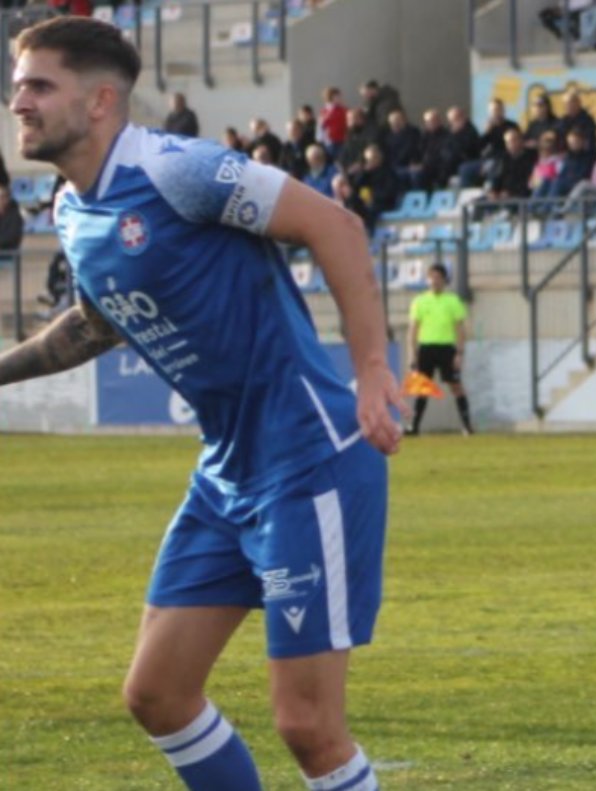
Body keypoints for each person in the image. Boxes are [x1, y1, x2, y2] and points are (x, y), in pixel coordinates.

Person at [0, 16, 402, 791]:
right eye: (18, 87)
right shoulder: (74, 211)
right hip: (227, 475)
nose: (20, 102)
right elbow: (94, 325)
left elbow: (335, 224)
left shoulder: (177, 171)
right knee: (158, 695)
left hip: (308, 459)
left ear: (100, 102)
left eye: (40, 86)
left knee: (308, 726)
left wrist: (373, 368)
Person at [406, 263, 472, 436]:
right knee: (422, 389)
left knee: (456, 386)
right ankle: (414, 427)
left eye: (438, 277)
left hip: (446, 348)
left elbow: (460, 329)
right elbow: (413, 329)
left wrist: (459, 353)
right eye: (431, 277)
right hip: (426, 348)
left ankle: (467, 426)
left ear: (444, 280)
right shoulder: (419, 301)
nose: (434, 281)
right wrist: (412, 354)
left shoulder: (453, 301)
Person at [318, 86, 348, 157]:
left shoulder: (343, 110)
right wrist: (320, 140)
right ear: (330, 97)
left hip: (342, 139)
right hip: (330, 141)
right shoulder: (324, 111)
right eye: (337, 96)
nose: (340, 98)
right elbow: (321, 126)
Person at [0, 183, 24, 251]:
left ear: (7, 199)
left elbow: (11, 237)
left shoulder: (15, 217)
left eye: (1, 197)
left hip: (7, 255)